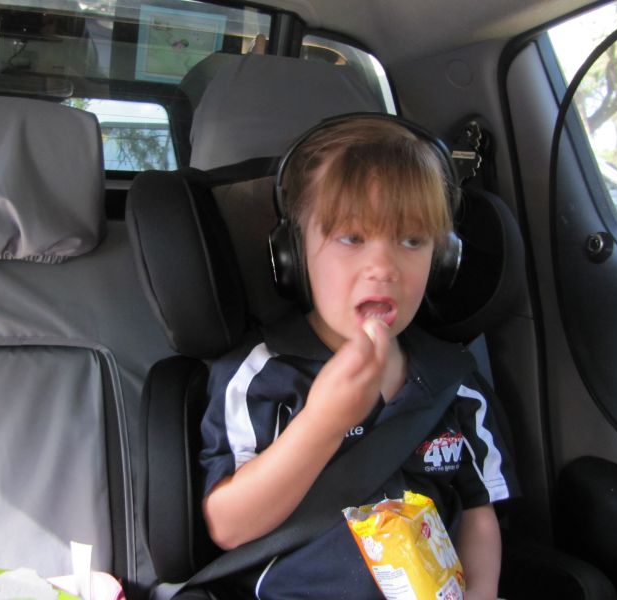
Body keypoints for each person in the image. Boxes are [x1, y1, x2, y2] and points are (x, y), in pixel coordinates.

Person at [198, 115, 520, 599]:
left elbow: (478, 512)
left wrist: (481, 591)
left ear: (442, 261)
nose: (384, 267)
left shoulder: (455, 383)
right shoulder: (263, 374)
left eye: (412, 240)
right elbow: (228, 526)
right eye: (351, 238)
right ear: (292, 255)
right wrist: (323, 423)